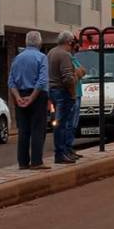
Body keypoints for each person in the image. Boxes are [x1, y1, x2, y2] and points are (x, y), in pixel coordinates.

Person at [7, 31, 50, 170]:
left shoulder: (17, 59)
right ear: (39, 42)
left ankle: (23, 162)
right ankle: (37, 161)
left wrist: (18, 97)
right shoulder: (42, 57)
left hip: (20, 95)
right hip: (37, 95)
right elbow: (42, 80)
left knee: (23, 130)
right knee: (38, 129)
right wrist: (32, 97)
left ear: (26, 42)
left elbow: (11, 81)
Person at [48, 31, 77, 164]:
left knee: (60, 123)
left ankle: (63, 152)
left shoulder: (51, 53)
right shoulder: (65, 55)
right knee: (63, 124)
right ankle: (61, 153)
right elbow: (67, 78)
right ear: (69, 42)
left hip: (52, 90)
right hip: (62, 91)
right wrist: (72, 93)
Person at [69, 40, 88, 159]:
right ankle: (67, 148)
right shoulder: (68, 58)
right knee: (70, 123)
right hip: (73, 94)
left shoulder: (73, 58)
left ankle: (70, 147)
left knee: (74, 124)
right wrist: (79, 72)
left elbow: (83, 71)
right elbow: (78, 72)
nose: (77, 49)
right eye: (76, 47)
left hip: (78, 94)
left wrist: (79, 72)